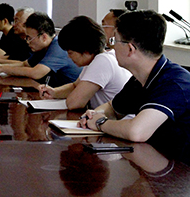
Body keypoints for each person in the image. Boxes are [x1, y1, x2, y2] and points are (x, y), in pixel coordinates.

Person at [79, 10, 190, 158]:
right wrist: (95, 114)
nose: (112, 47)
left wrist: (100, 122)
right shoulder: (140, 78)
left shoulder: (174, 83)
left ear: (130, 49)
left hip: (180, 168)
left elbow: (137, 132)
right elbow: (113, 108)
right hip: (154, 159)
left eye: (114, 41)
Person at [38, 16, 131, 109]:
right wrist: (54, 92)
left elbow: (74, 103)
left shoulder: (103, 61)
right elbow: (75, 86)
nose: (68, 57)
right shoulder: (97, 59)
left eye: (70, 53)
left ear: (86, 50)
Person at [0, 12, 81, 87]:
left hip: (67, 96)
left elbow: (36, 73)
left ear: (44, 37)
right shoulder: (43, 48)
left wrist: (1, 68)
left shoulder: (58, 47)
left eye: (29, 38)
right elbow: (25, 64)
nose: (27, 42)